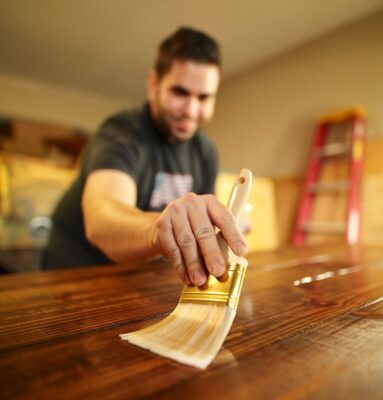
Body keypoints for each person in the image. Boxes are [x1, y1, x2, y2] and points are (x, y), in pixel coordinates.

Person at [42, 27, 247, 286]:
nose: (191, 110)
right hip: (75, 274)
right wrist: (159, 229)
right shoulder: (121, 131)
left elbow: (198, 223)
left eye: (204, 97)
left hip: (140, 280)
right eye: (180, 93)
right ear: (154, 85)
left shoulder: (206, 151)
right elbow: (102, 215)